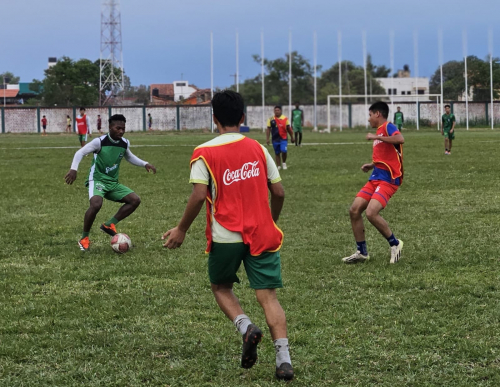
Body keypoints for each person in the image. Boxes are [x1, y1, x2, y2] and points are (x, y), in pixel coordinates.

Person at [162, 90, 294, 381]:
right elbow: (280, 192)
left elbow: (198, 196)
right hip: (262, 235)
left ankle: (247, 327)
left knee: (221, 287)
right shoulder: (258, 148)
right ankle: (284, 359)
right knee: (268, 297)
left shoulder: (204, 152)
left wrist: (181, 229)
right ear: (243, 117)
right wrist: (270, 221)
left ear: (214, 118)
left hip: (226, 236)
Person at [64, 114, 157, 251]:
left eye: (123, 128)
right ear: (110, 127)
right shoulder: (99, 142)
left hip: (113, 183)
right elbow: (80, 153)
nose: (121, 131)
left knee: (134, 200)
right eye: (118, 128)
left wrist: (145, 164)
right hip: (97, 180)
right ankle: (84, 238)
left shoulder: (124, 143)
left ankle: (109, 224)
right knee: (96, 204)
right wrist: (73, 169)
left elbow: (129, 156)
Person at [342, 101, 404, 264]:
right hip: (375, 176)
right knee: (354, 210)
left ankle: (395, 244)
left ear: (378, 114)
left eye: (370, 115)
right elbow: (386, 155)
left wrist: (377, 137)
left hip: (388, 179)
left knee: (371, 213)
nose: (368, 119)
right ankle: (361, 252)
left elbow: (400, 138)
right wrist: (372, 164)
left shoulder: (387, 127)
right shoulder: (380, 132)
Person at [266, 106, 294, 170]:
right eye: (275, 110)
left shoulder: (285, 119)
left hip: (283, 138)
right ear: (274, 111)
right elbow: (268, 129)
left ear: (280, 111)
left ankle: (284, 163)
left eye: (278, 110)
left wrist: (292, 137)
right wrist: (267, 139)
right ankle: (278, 166)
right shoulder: (271, 119)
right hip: (275, 139)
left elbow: (288, 129)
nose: (277, 111)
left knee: (284, 150)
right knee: (277, 152)